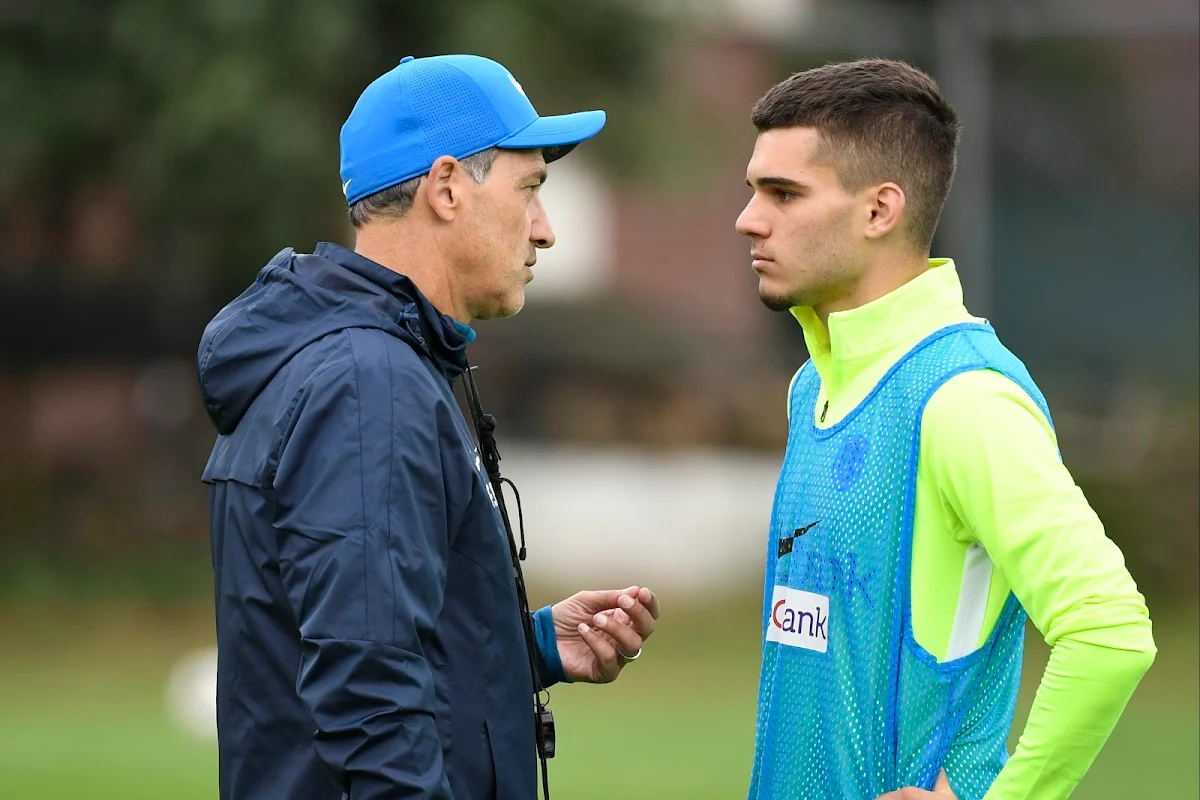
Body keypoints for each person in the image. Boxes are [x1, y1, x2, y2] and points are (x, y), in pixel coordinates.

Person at [197, 54, 659, 800]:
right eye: (532, 189)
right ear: (446, 188)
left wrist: (529, 646)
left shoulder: (366, 364)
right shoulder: (365, 386)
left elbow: (369, 638)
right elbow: (368, 693)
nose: (545, 231)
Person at [734, 59, 1156, 800]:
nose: (749, 218)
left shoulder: (963, 399)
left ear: (879, 210)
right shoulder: (815, 387)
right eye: (754, 190)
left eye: (784, 193)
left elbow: (1110, 629)